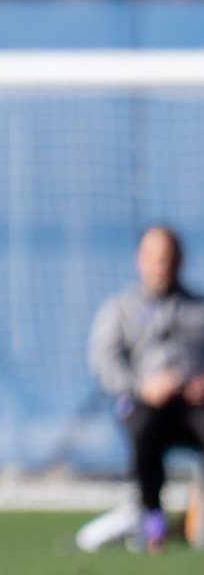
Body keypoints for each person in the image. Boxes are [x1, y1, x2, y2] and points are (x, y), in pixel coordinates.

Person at [87, 224, 204, 551]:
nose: (161, 265)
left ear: (180, 261)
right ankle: (152, 519)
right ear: (139, 260)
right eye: (153, 257)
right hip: (147, 404)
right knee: (143, 427)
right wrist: (143, 386)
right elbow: (105, 363)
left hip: (194, 406)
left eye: (168, 257)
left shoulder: (199, 308)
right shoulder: (120, 309)